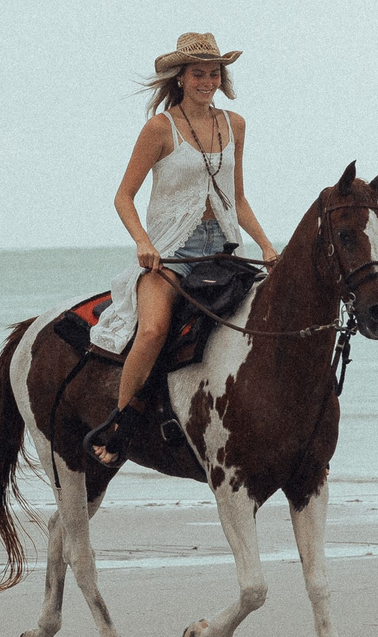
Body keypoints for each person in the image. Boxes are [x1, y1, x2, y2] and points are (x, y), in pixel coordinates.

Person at [84, 32, 279, 469]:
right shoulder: (160, 128)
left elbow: (238, 197)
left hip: (224, 247)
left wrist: (266, 244)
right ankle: (120, 424)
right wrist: (144, 243)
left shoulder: (235, 125)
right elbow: (123, 196)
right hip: (172, 251)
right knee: (152, 331)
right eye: (198, 73)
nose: (207, 81)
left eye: (214, 73)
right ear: (181, 77)